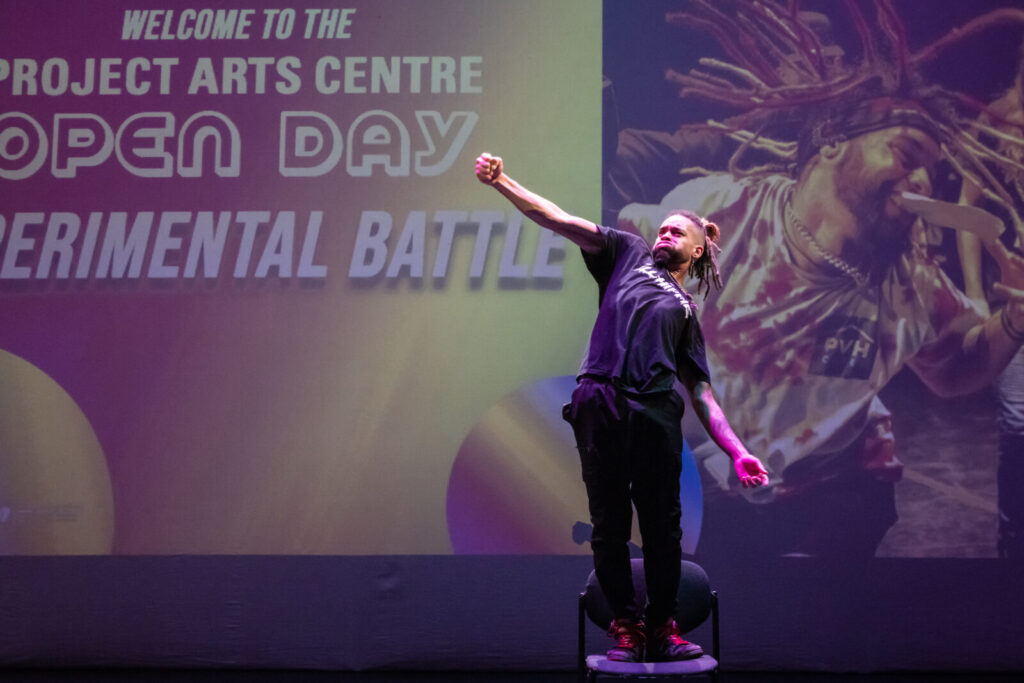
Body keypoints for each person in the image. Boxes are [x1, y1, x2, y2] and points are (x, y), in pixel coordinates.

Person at [616, 97, 1024, 561]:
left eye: (931, 171)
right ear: (831, 141)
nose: (925, 182)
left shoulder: (912, 285)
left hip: (829, 497)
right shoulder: (721, 215)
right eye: (908, 157)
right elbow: (624, 254)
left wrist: (1015, 318)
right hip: (696, 490)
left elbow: (956, 366)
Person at [474, 152, 769, 663]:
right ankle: (627, 628)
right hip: (599, 403)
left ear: (700, 250)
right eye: (663, 229)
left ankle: (661, 628)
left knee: (662, 529)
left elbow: (700, 392)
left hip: (654, 415)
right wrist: (505, 184)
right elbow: (556, 219)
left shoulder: (686, 312)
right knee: (608, 525)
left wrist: (738, 451)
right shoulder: (627, 253)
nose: (664, 235)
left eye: (677, 233)